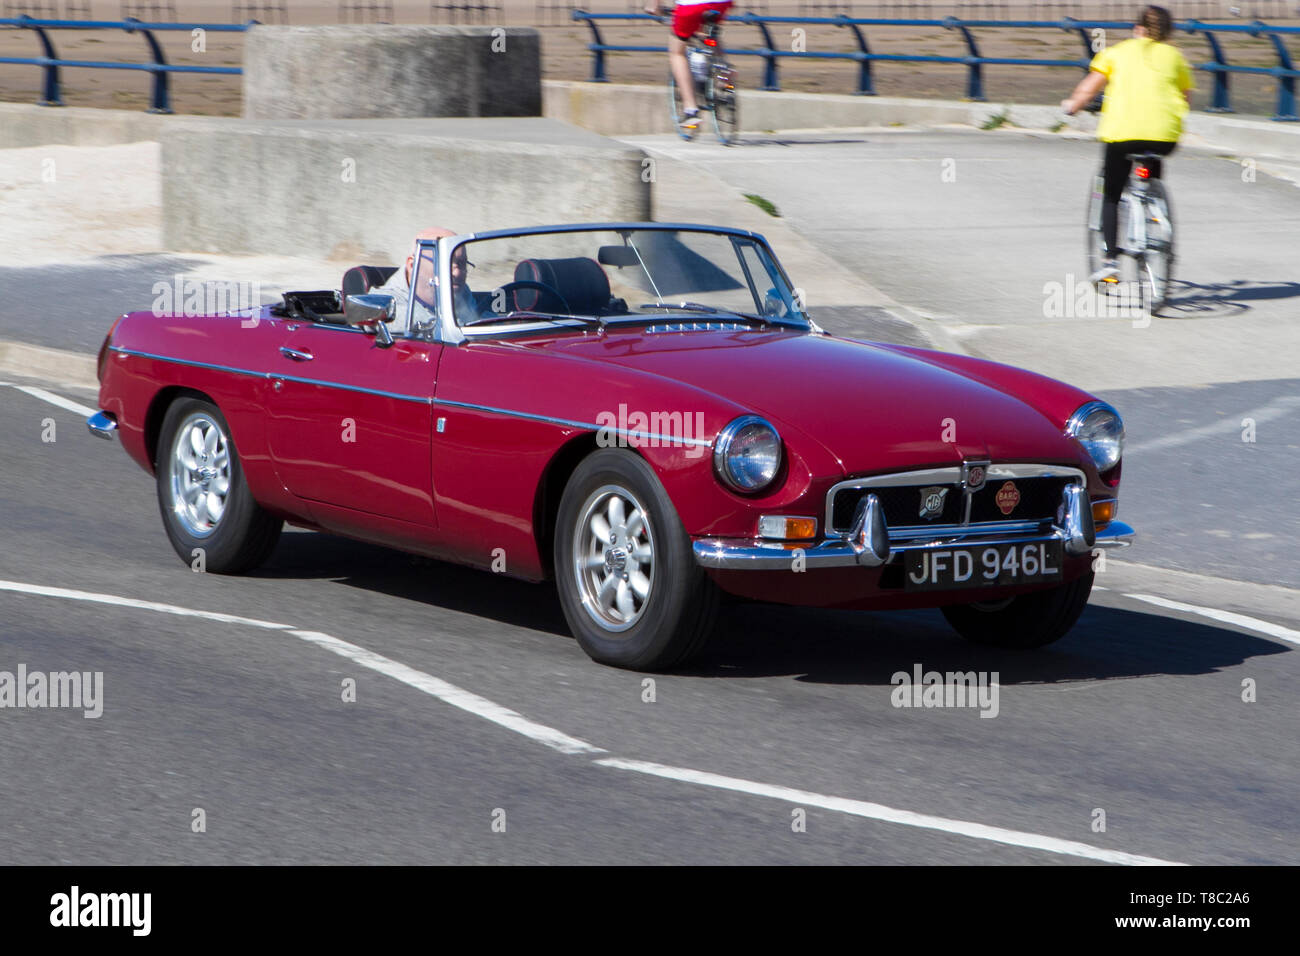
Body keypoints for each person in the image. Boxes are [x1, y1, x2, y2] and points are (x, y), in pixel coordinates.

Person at [1063, 5, 1194, 282]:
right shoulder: (1176, 57)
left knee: (1111, 193)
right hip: (1164, 137)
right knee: (1151, 164)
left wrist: (1073, 105)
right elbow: (1185, 97)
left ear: (1138, 29)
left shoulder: (1117, 53)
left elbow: (1089, 88)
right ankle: (1154, 210)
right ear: (1168, 32)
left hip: (1123, 134)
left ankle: (1110, 261)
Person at [644, 0, 733, 133]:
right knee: (709, 33)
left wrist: (653, 6)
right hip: (722, 3)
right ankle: (725, 72)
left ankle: (690, 109)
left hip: (691, 5)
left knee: (677, 53)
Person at [375, 226, 458, 333]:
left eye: (462, 264)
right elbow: (370, 316)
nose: (456, 272)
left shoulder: (457, 289)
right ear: (413, 265)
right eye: (444, 263)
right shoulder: (388, 301)